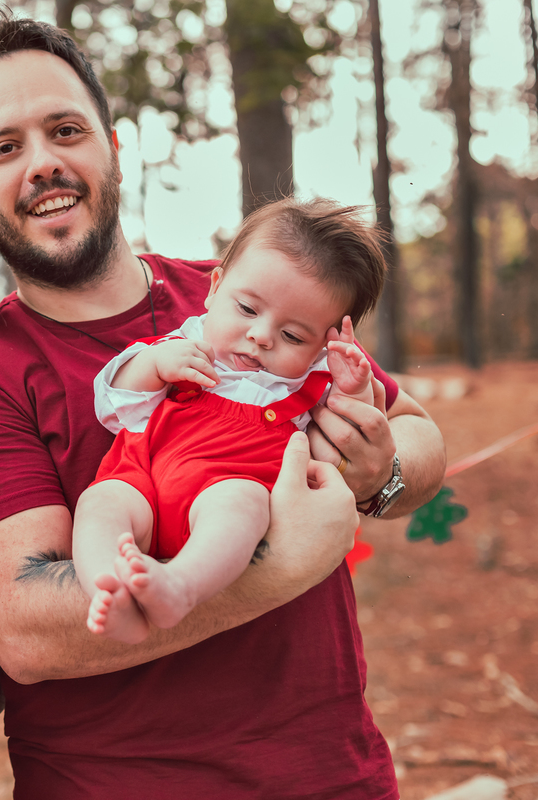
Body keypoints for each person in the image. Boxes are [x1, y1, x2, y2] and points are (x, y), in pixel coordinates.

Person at [0, 14, 446, 799]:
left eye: (66, 130)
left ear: (113, 145)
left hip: (330, 776)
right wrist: (283, 566)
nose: (43, 164)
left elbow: (419, 438)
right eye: (4, 148)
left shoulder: (250, 299)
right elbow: (27, 632)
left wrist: (382, 474)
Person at [76, 198, 383, 643]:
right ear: (215, 287)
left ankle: (180, 585)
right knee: (100, 505)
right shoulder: (185, 346)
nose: (260, 336)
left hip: (226, 486)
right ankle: (110, 589)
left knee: (244, 506)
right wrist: (154, 365)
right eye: (247, 310)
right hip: (141, 477)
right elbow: (112, 404)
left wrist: (353, 388)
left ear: (322, 346)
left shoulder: (310, 380)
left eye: (293, 335)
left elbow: (349, 435)